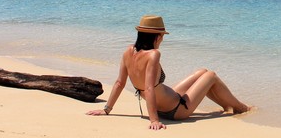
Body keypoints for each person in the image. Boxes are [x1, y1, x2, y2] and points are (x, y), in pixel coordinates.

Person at [87, 15, 250, 130]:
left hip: (166, 102)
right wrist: (154, 120)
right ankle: (241, 107)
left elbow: (119, 83)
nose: (163, 39)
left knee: (202, 72)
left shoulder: (128, 52)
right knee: (211, 75)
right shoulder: (154, 54)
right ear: (156, 37)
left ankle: (227, 106)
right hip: (177, 110)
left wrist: (107, 109)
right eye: (162, 36)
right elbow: (149, 87)